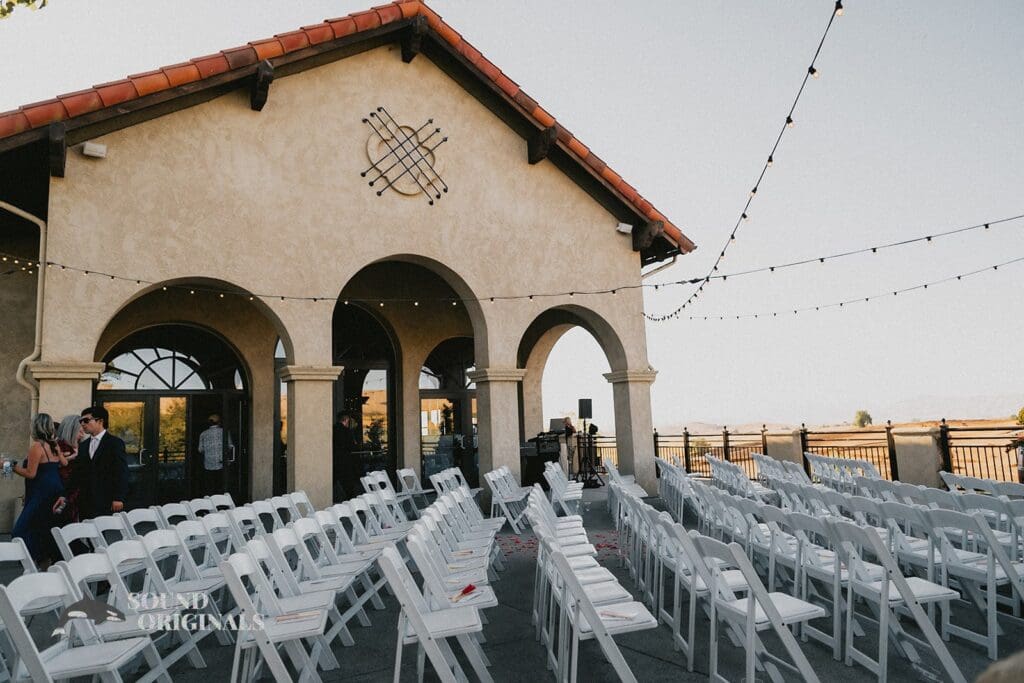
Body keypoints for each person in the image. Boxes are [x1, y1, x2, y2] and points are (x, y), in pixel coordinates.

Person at [10, 413, 66, 566]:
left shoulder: (37, 447)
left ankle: (30, 561)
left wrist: (10, 466)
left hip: (40, 491)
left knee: (20, 531)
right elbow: (64, 463)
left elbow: (30, 473)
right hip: (55, 490)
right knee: (42, 527)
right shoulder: (54, 445)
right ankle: (43, 562)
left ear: (35, 427)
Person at [69, 406, 129, 519]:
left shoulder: (115, 443)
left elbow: (121, 472)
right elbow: (77, 473)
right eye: (80, 421)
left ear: (100, 421)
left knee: (102, 532)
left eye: (86, 420)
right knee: (86, 531)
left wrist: (119, 497)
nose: (82, 424)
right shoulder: (83, 446)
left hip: (105, 498)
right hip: (85, 499)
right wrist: (65, 494)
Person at [54, 414, 83, 524]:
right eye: (80, 431)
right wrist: (72, 457)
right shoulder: (61, 446)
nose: (82, 434)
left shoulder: (79, 446)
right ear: (71, 430)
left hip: (75, 492)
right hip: (64, 491)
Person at [197, 413, 232, 496]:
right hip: (222, 463)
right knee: (221, 488)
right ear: (219, 422)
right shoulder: (225, 432)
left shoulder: (203, 434)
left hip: (209, 464)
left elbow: (200, 449)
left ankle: (211, 505)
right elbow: (230, 446)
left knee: (210, 488)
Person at [333, 412, 360, 500]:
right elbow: (352, 446)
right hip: (345, 461)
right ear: (346, 420)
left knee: (332, 481)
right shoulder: (346, 431)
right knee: (348, 486)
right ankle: (354, 506)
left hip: (334, 460)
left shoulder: (333, 429)